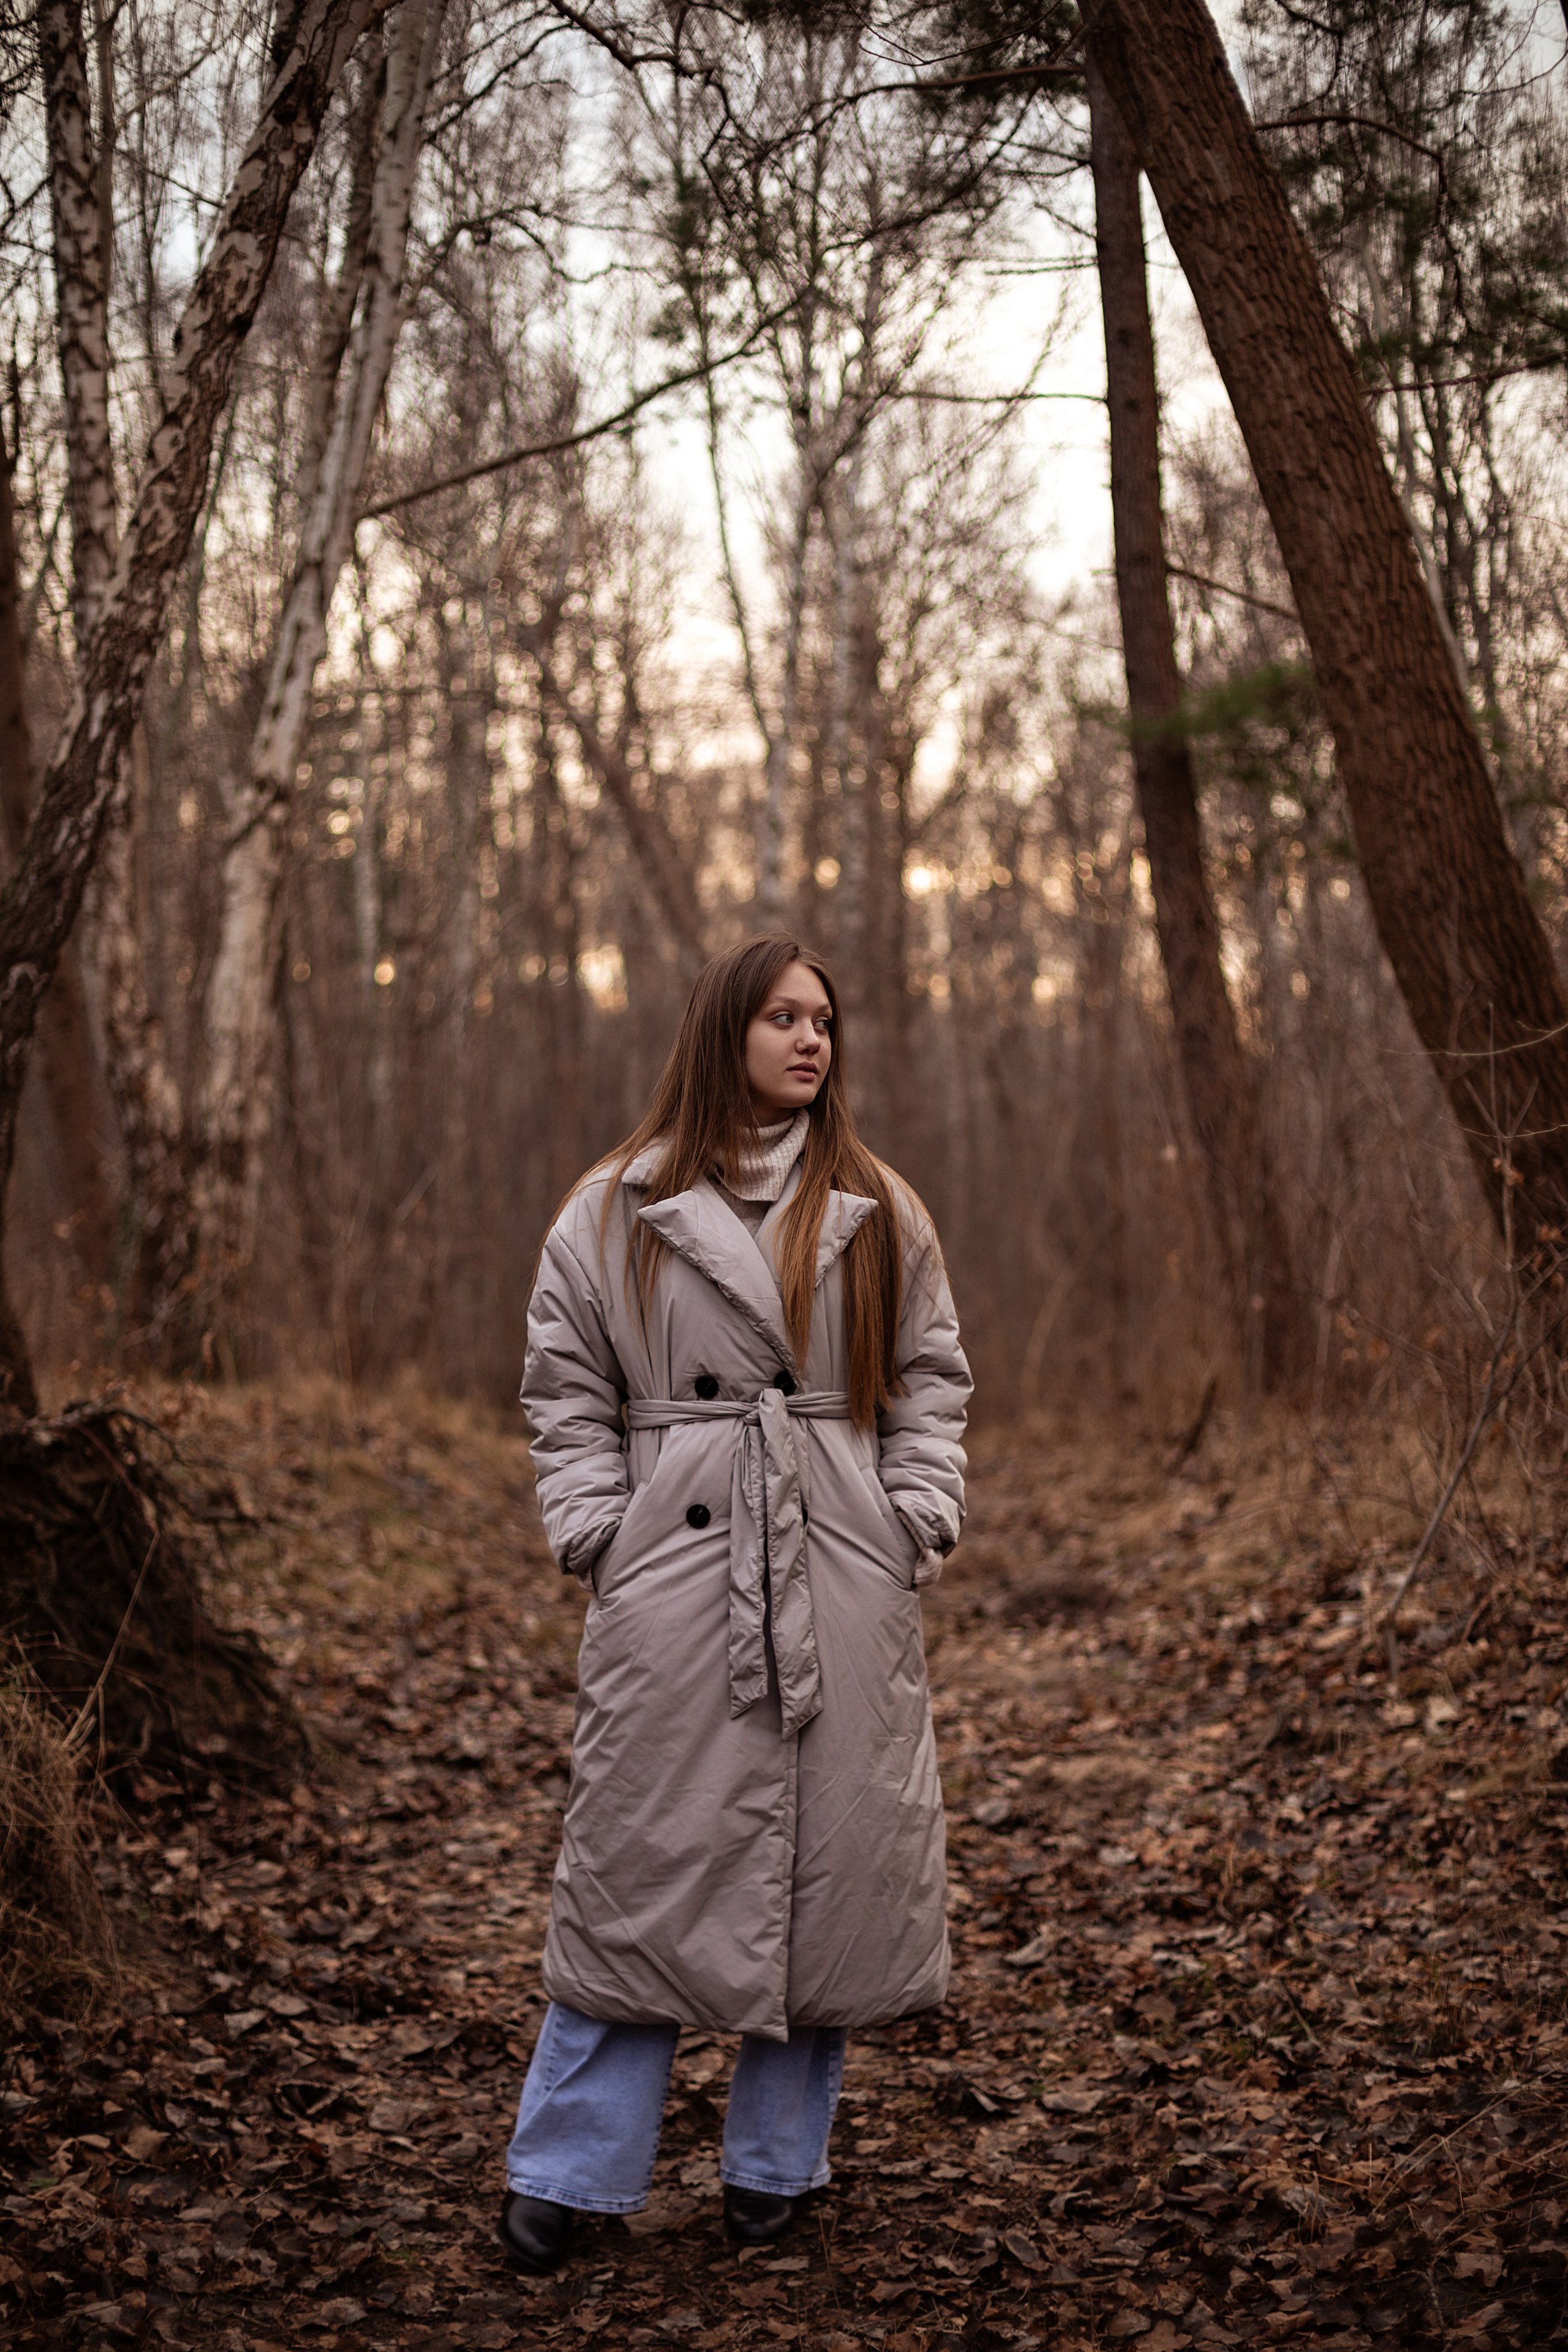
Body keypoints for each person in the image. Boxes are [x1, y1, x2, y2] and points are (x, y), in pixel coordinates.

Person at [499, 933, 970, 2272]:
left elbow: (931, 1378)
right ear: (724, 1034)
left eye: (823, 1018)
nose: (810, 1040)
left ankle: (776, 2169)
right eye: (780, 1017)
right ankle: (570, 2174)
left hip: (839, 1560)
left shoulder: (880, 1204)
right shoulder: (614, 1206)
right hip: (675, 1573)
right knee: (638, 1861)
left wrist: (911, 1519)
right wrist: (604, 1533)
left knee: (824, 1868)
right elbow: (563, 1390)